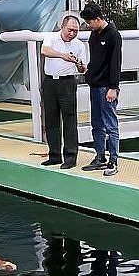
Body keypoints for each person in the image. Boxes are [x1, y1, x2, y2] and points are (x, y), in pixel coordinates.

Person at [39, 14, 87, 169]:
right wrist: (63, 56)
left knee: (70, 119)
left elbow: (83, 69)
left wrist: (79, 65)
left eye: (75, 31)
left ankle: (71, 156)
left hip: (67, 82)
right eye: (70, 30)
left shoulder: (79, 45)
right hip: (50, 81)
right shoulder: (51, 38)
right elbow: (44, 51)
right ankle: (54, 155)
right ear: (62, 26)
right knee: (51, 118)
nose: (72, 33)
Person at [80, 3, 122, 176]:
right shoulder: (94, 35)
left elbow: (115, 63)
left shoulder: (113, 35)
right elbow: (95, 60)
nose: (88, 25)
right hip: (95, 86)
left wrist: (113, 87)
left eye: (90, 22)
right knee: (96, 123)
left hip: (107, 87)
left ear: (98, 19)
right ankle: (99, 157)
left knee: (110, 124)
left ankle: (113, 161)